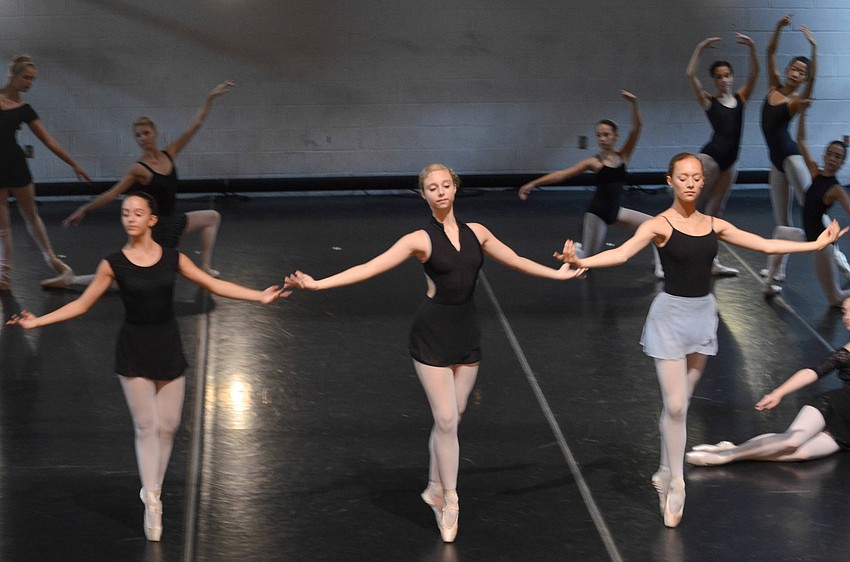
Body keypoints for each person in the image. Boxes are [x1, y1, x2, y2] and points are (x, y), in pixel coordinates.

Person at [285, 163, 585, 543]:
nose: (441, 192)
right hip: (432, 335)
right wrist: (318, 285)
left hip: (467, 332)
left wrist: (558, 274)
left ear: (455, 189)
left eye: (446, 185)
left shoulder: (478, 232)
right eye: (432, 187)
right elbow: (369, 266)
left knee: (453, 418)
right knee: (445, 419)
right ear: (424, 195)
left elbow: (517, 260)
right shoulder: (419, 240)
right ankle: (450, 500)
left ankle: (432, 485)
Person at [555, 153, 846, 528]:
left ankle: (664, 468)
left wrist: (815, 245)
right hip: (671, 319)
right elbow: (623, 254)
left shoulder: (714, 224)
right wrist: (582, 262)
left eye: (697, 177)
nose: (691, 183)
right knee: (675, 407)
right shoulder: (659, 225)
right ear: (671, 181)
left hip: (703, 317)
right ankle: (675, 483)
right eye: (684, 177)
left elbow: (764, 245)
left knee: (681, 405)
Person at [6, 192, 288, 541]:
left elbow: (213, 284)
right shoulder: (112, 264)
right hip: (134, 348)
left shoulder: (173, 258)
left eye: (139, 213)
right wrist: (38, 322)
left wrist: (259, 295)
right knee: (146, 425)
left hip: (167, 345)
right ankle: (152, 498)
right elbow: (82, 305)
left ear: (152, 219)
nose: (131, 218)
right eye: (126, 213)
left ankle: (150, 489)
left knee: (168, 426)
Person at [45, 81, 235, 288]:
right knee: (130, 281)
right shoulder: (139, 169)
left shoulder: (169, 154)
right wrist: (84, 208)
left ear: (155, 134)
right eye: (138, 135)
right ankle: (71, 280)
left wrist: (209, 98)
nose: (142, 138)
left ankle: (205, 268)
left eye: (146, 133)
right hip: (156, 230)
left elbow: (195, 125)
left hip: (174, 222)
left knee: (212, 217)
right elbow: (113, 193)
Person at [686, 295, 850, 467]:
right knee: (791, 442)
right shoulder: (846, 352)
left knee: (799, 453)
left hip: (846, 429)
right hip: (834, 407)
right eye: (844, 311)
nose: (846, 317)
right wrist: (778, 393)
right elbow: (812, 372)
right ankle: (727, 455)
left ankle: (733, 450)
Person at [518, 90, 663, 279]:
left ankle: (661, 267)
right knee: (587, 261)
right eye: (599, 135)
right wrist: (533, 183)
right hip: (598, 213)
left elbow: (637, 128)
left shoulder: (623, 156)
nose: (602, 139)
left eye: (606, 135)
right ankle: (577, 251)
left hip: (616, 211)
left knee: (655, 226)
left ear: (615, 136)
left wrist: (634, 104)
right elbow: (563, 175)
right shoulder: (593, 162)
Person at [0, 54, 92, 290]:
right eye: (27, 78)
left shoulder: (24, 108)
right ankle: (4, 277)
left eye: (33, 79)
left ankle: (52, 258)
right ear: (13, 76)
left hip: (16, 166)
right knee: (3, 226)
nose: (30, 83)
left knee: (31, 216)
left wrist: (73, 163)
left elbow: (49, 141)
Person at [686, 34, 760, 276]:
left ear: (731, 77)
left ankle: (711, 262)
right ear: (714, 80)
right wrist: (699, 47)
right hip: (711, 158)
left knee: (714, 214)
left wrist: (751, 48)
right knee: (688, 207)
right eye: (719, 77)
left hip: (730, 164)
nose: (723, 80)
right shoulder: (710, 102)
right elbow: (690, 75)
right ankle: (666, 256)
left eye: (727, 76)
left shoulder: (740, 99)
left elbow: (755, 73)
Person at [762, 106, 850, 305]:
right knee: (780, 232)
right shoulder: (815, 172)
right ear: (825, 156)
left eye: (838, 157)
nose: (832, 159)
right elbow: (801, 141)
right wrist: (802, 113)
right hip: (806, 238)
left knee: (835, 299)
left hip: (822, 246)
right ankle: (768, 284)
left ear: (842, 163)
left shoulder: (836, 189)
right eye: (830, 154)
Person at [761, 15, 816, 235]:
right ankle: (780, 270)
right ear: (787, 69)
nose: (796, 73)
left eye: (801, 73)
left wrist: (815, 48)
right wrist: (778, 27)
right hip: (776, 161)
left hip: (790, 157)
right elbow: (770, 52)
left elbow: (813, 80)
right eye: (794, 69)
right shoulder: (774, 86)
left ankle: (837, 254)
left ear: (803, 79)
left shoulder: (794, 101)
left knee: (810, 206)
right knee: (782, 221)